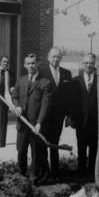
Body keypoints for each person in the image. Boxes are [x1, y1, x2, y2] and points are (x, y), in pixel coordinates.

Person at [12, 53, 52, 185]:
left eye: (33, 63)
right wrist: (17, 106)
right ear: (24, 65)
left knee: (36, 153)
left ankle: (34, 177)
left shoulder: (45, 82)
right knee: (21, 151)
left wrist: (40, 122)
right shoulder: (21, 80)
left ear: (37, 64)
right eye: (28, 63)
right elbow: (15, 95)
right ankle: (21, 175)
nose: (30, 66)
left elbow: (45, 105)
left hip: (35, 126)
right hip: (23, 124)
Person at [70, 53, 99, 176]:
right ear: (82, 64)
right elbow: (72, 102)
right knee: (81, 147)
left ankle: (93, 171)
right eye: (86, 63)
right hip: (80, 120)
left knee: (94, 147)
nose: (89, 65)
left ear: (95, 64)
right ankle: (81, 171)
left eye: (91, 63)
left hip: (95, 120)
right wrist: (72, 118)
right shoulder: (76, 80)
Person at [40, 47, 72, 180]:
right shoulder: (41, 72)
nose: (55, 59)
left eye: (58, 57)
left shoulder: (66, 73)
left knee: (55, 143)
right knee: (43, 143)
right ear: (48, 57)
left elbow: (69, 97)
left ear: (61, 58)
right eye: (53, 56)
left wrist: (69, 115)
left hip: (59, 115)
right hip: (44, 115)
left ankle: (55, 171)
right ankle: (44, 172)